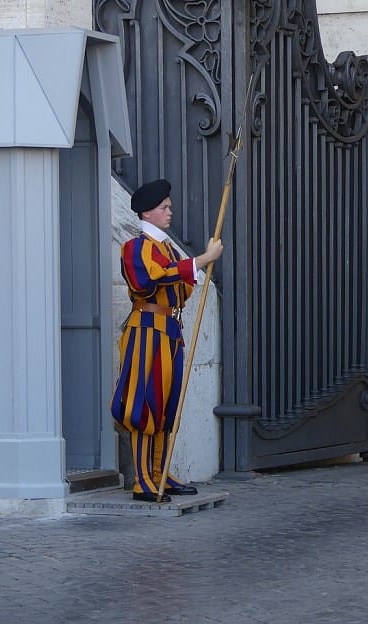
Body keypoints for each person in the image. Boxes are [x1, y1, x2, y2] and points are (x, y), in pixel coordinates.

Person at [111, 179, 223, 503]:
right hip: (146, 330)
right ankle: (143, 480)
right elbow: (149, 280)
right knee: (144, 403)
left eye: (169, 206)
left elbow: (180, 288)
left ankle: (160, 473)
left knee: (166, 406)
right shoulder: (135, 248)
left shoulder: (168, 250)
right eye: (164, 207)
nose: (170, 211)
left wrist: (193, 268)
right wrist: (199, 261)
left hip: (169, 332)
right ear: (148, 212)